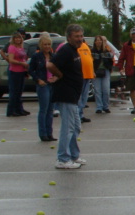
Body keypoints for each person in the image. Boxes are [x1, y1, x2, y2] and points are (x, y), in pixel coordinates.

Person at [47, 24, 85, 169]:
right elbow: (50, 65)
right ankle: (62, 159)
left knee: (75, 127)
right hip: (66, 94)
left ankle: (73, 155)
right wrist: (60, 75)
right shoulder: (65, 50)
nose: (80, 39)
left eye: (81, 36)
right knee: (68, 128)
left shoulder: (74, 51)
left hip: (74, 95)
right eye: (76, 36)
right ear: (69, 37)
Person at [28, 33, 57, 141]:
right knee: (43, 110)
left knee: (51, 110)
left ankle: (50, 133)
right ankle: (43, 133)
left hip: (52, 85)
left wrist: (55, 78)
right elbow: (31, 70)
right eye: (45, 44)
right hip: (43, 84)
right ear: (41, 45)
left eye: (49, 44)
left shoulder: (53, 56)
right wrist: (38, 80)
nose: (47, 46)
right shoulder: (36, 56)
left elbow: (58, 69)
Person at [5, 31, 30, 117]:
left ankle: (19, 109)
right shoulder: (12, 47)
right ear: (13, 39)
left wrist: (25, 66)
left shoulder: (21, 47)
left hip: (21, 71)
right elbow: (11, 60)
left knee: (19, 92)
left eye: (19, 38)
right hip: (14, 71)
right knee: (14, 92)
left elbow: (24, 58)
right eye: (16, 38)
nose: (18, 39)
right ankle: (11, 110)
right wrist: (21, 63)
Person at [91, 35, 113, 114]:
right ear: (95, 42)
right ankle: (99, 107)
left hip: (105, 71)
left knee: (106, 90)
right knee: (97, 90)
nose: (99, 42)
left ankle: (106, 106)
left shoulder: (106, 51)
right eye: (97, 40)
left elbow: (111, 60)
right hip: (96, 71)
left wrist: (110, 68)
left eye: (100, 40)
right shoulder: (92, 51)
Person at [77, 39, 95, 123]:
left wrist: (92, 71)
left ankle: (81, 114)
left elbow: (90, 59)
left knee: (84, 97)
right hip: (80, 75)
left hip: (88, 75)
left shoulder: (85, 46)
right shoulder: (76, 47)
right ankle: (77, 115)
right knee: (79, 97)